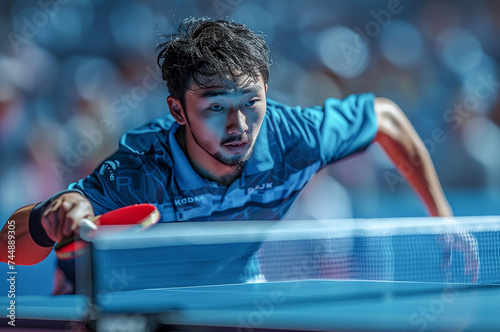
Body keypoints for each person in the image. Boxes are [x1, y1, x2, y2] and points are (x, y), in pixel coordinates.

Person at [0, 17, 477, 294]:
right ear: (177, 110)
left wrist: (444, 218)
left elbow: (387, 117)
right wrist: (49, 218)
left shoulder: (294, 136)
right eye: (215, 108)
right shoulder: (139, 171)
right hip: (129, 300)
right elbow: (9, 246)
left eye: (252, 102)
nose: (239, 126)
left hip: (235, 295)